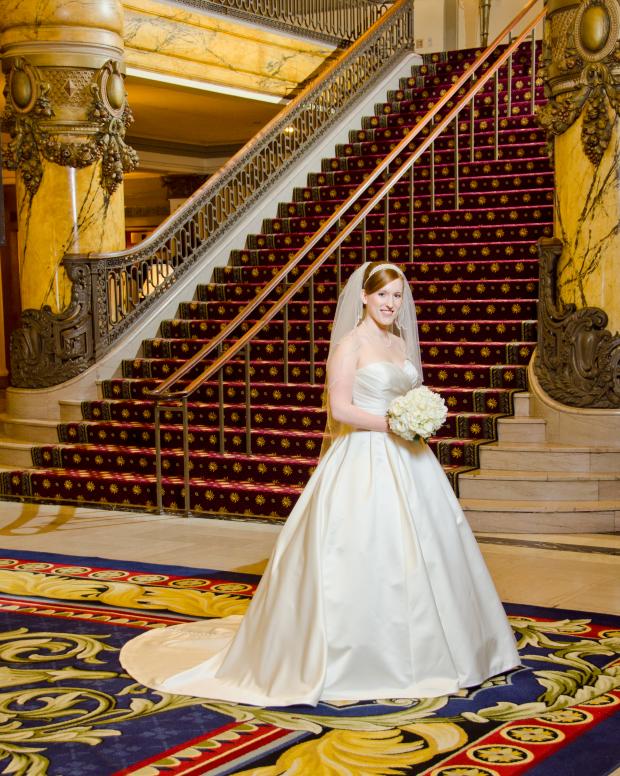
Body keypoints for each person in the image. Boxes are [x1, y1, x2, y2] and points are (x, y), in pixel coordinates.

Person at [120, 261, 520, 706]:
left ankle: (449, 649)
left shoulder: (400, 343)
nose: (390, 304)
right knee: (365, 551)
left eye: (397, 296)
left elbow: (409, 393)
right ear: (364, 297)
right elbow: (342, 409)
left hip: (411, 459)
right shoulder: (350, 346)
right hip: (365, 457)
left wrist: (416, 416)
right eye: (383, 295)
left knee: (430, 549)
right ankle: (361, 656)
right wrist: (394, 424)